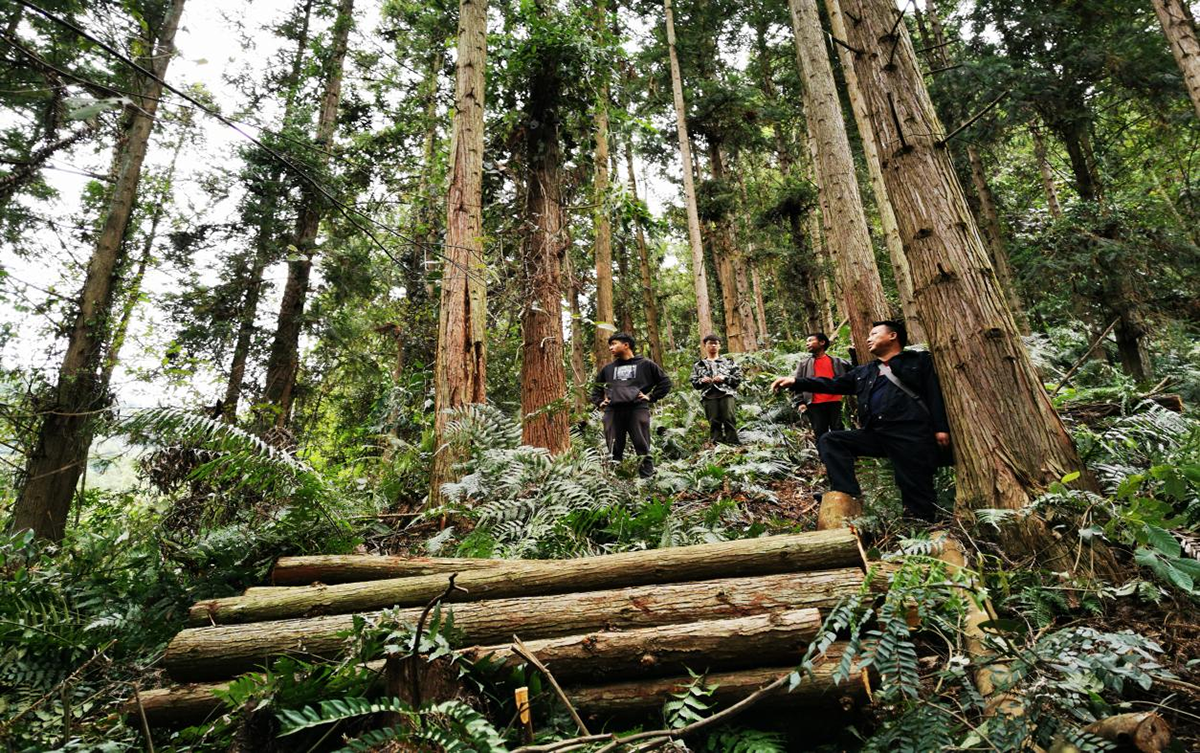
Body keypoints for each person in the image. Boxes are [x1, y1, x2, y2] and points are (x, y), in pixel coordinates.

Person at [772, 321, 951, 522]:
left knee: (913, 486)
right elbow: (833, 384)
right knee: (830, 440)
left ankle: (923, 529)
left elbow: (934, 393)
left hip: (908, 433)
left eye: (874, 334)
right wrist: (796, 381)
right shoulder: (865, 371)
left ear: (892, 336)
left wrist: (941, 428)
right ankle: (847, 494)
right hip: (876, 434)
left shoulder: (917, 361)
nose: (868, 338)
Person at [590, 332, 672, 477]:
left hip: (637, 409)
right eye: (610, 345)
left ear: (626, 345)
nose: (610, 348)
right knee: (613, 448)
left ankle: (647, 480)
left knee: (642, 446)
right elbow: (596, 388)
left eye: (614, 344)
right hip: (613, 412)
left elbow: (665, 382)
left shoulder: (645, 364)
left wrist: (651, 397)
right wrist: (600, 402)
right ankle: (616, 482)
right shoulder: (608, 369)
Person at [769, 333, 852, 440]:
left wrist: (853, 353)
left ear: (822, 342)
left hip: (836, 402)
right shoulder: (804, 364)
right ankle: (823, 455)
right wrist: (800, 402)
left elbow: (855, 372)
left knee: (839, 431)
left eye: (810, 340)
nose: (807, 343)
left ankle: (841, 454)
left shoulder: (837, 362)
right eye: (806, 341)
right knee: (820, 433)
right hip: (814, 404)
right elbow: (797, 384)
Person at [689, 334, 742, 445]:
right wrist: (702, 381)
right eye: (710, 343)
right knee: (713, 421)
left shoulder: (729, 362)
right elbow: (694, 382)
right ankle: (717, 445)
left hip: (726, 394)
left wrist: (724, 378)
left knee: (729, 419)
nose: (713, 346)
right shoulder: (698, 365)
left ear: (719, 346)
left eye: (715, 343)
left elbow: (738, 379)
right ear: (705, 346)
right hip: (708, 395)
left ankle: (733, 444)